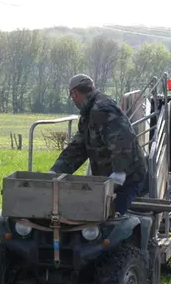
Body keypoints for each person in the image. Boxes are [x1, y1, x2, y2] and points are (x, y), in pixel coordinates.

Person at [49, 74, 148, 215]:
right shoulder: (88, 114)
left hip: (128, 179)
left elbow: (123, 138)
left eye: (72, 98)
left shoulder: (102, 109)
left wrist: (119, 172)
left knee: (113, 222)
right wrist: (56, 171)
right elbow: (77, 148)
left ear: (74, 93)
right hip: (109, 180)